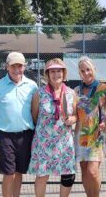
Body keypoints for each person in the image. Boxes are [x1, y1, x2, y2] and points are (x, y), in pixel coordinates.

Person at [0, 52, 38, 197]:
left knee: (19, 173)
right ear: (6, 67)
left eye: (19, 66)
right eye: (13, 66)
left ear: (24, 67)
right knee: (9, 174)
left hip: (26, 136)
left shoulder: (32, 86)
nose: (16, 69)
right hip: (5, 137)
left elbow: (36, 113)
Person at [28, 58, 77, 197]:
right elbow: (35, 116)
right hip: (44, 142)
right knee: (42, 177)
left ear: (64, 73)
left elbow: (75, 115)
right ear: (47, 74)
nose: (56, 74)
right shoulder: (39, 93)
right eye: (52, 71)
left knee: (67, 176)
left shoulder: (71, 93)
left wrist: (72, 119)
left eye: (59, 71)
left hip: (64, 142)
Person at [74, 56, 106, 197]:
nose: (86, 73)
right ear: (79, 73)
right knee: (84, 170)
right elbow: (73, 113)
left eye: (88, 69)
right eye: (83, 71)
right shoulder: (76, 91)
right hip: (80, 136)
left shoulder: (103, 88)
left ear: (94, 69)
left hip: (97, 135)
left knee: (92, 171)